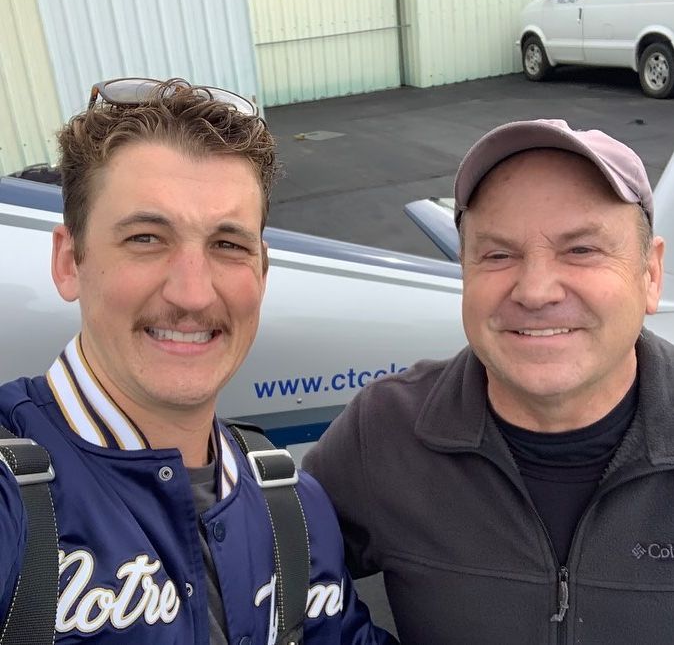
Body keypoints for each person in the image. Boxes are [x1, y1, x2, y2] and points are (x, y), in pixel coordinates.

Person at [0, 78, 395, 645]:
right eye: (145, 238)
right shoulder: (14, 504)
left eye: (228, 245)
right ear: (70, 262)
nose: (193, 294)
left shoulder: (293, 507)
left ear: (261, 272)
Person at [304, 119, 673, 644]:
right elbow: (260, 578)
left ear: (650, 275)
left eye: (582, 250)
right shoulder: (384, 433)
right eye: (498, 254)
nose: (536, 290)